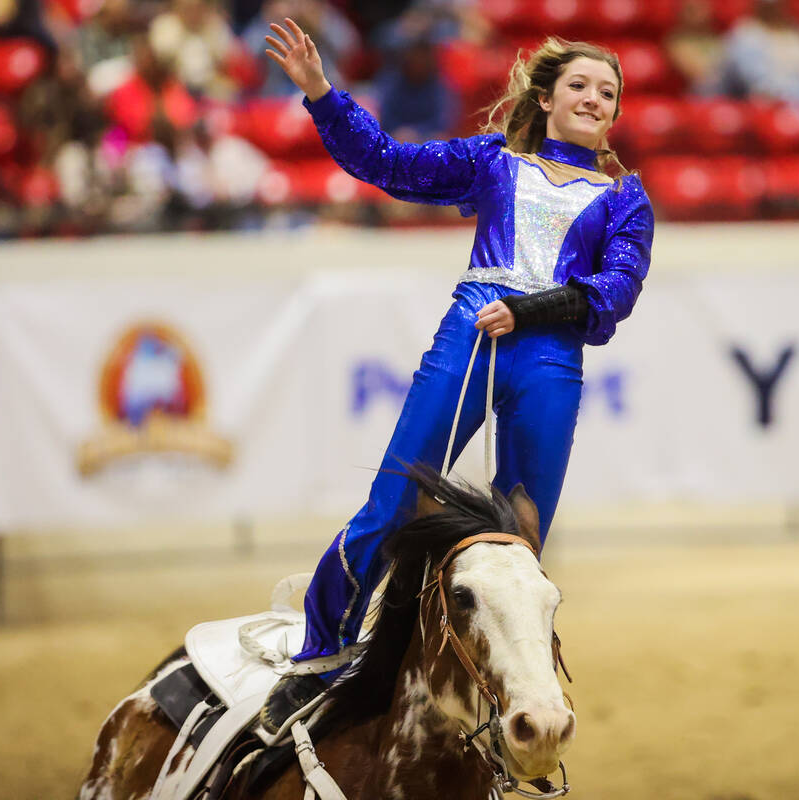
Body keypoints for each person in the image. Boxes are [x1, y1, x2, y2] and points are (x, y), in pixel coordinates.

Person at [259, 18, 654, 734]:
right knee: (395, 499)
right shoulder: (495, 161)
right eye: (580, 85)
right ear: (546, 97)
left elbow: (615, 295)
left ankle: (501, 689)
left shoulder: (627, 200)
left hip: (552, 352)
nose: (595, 98)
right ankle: (322, 656)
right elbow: (388, 164)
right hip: (473, 330)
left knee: (522, 541)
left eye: (608, 91)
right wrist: (322, 94)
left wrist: (529, 309)